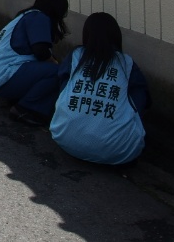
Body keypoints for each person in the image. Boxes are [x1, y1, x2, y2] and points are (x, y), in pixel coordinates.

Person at [50, 12, 151, 165]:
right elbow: (144, 98)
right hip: (119, 152)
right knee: (137, 92)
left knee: (66, 82)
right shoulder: (126, 62)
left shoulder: (77, 55)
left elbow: (62, 80)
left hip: (65, 139)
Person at [0, 0, 69, 125]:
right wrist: (56, 63)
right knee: (57, 72)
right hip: (5, 76)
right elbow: (41, 52)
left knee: (47, 68)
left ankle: (19, 99)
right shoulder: (39, 17)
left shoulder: (26, 15)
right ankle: (26, 109)